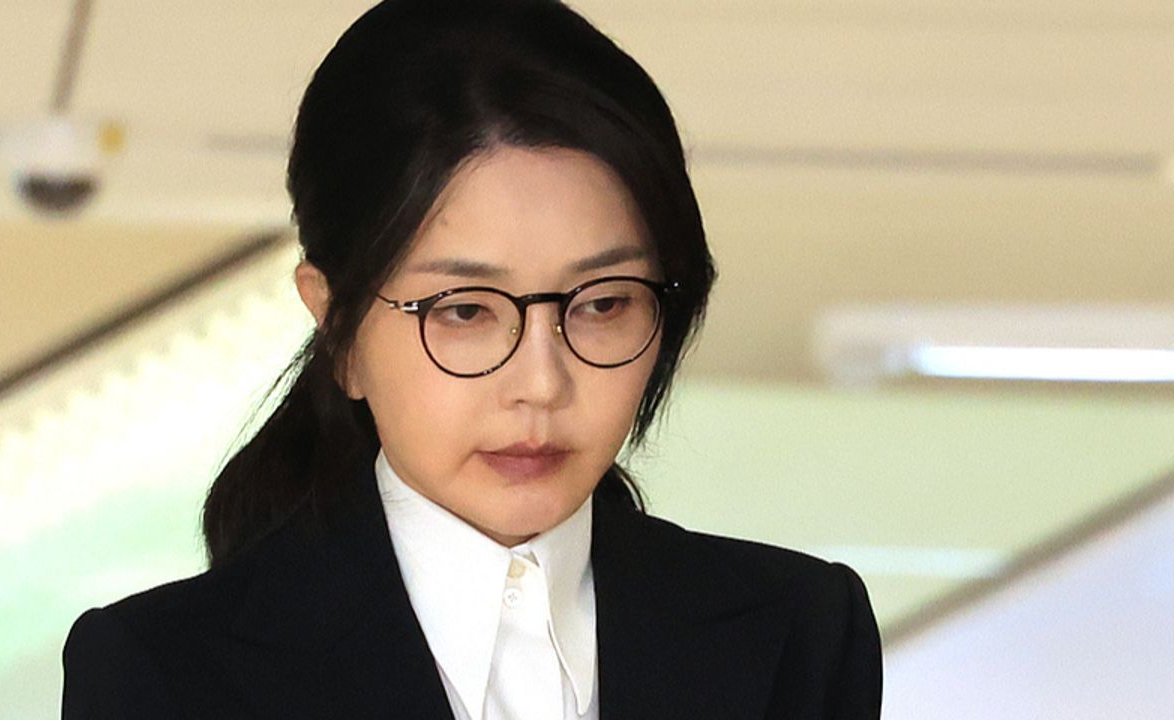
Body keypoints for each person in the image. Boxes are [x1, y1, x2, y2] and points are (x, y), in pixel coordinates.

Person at [61, 0, 882, 717]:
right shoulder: (162, 674)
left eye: (602, 304)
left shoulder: (798, 633)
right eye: (464, 312)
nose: (541, 384)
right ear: (337, 327)